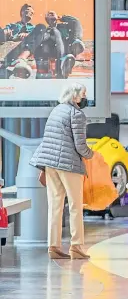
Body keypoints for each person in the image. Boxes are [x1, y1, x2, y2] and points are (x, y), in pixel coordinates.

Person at [30, 83, 94, 260]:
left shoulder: (56, 111)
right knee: (75, 205)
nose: (84, 98)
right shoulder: (77, 114)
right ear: (74, 96)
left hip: (50, 164)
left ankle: (54, 246)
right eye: (83, 94)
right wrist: (92, 154)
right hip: (69, 165)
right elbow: (81, 146)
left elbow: (48, 141)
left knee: (55, 205)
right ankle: (76, 246)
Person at [0, 4, 47, 79]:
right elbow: (4, 32)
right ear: (22, 12)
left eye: (32, 13)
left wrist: (28, 35)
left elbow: (39, 38)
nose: (30, 13)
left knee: (42, 27)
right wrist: (5, 32)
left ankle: (21, 59)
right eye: (28, 10)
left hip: (24, 47)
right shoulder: (12, 25)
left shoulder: (34, 28)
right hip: (10, 47)